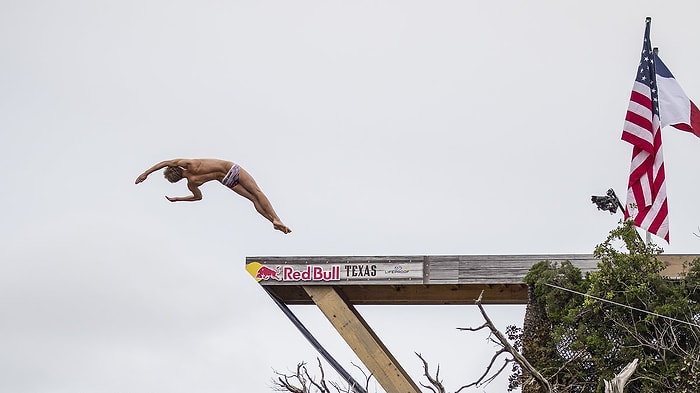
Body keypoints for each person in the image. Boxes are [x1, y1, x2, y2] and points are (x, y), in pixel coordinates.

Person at [135, 158, 291, 234]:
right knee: (257, 193)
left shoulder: (192, 183)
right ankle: (276, 218)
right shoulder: (189, 163)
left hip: (226, 181)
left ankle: (271, 221)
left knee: (252, 199)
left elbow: (198, 198)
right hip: (231, 170)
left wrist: (178, 199)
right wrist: (146, 173)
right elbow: (165, 162)